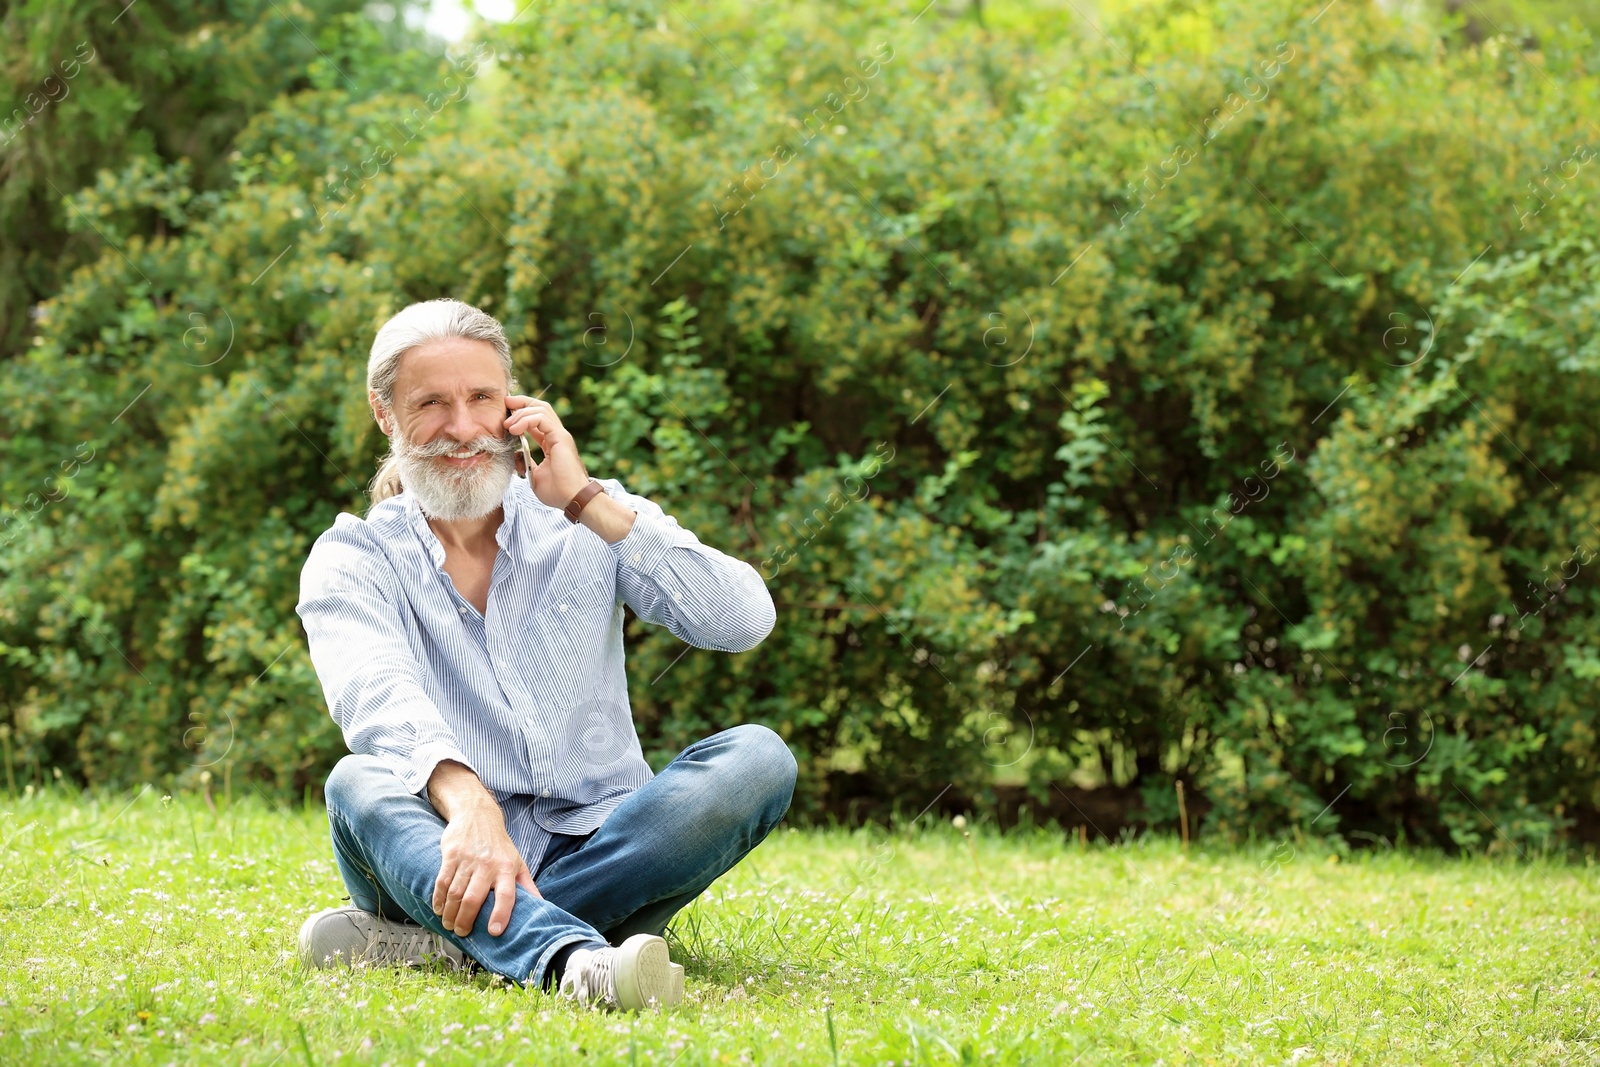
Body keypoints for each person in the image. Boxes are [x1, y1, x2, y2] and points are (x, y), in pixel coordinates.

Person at [294, 298, 797, 1011]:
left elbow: (743, 619)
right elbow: (376, 695)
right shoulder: (352, 557)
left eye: (480, 397)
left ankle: (455, 945)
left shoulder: (588, 516)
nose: (463, 427)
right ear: (385, 415)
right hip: (437, 857)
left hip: (600, 847)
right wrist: (469, 805)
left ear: (514, 403)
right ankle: (571, 959)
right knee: (357, 783)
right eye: (431, 403)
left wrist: (588, 500)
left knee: (759, 759)